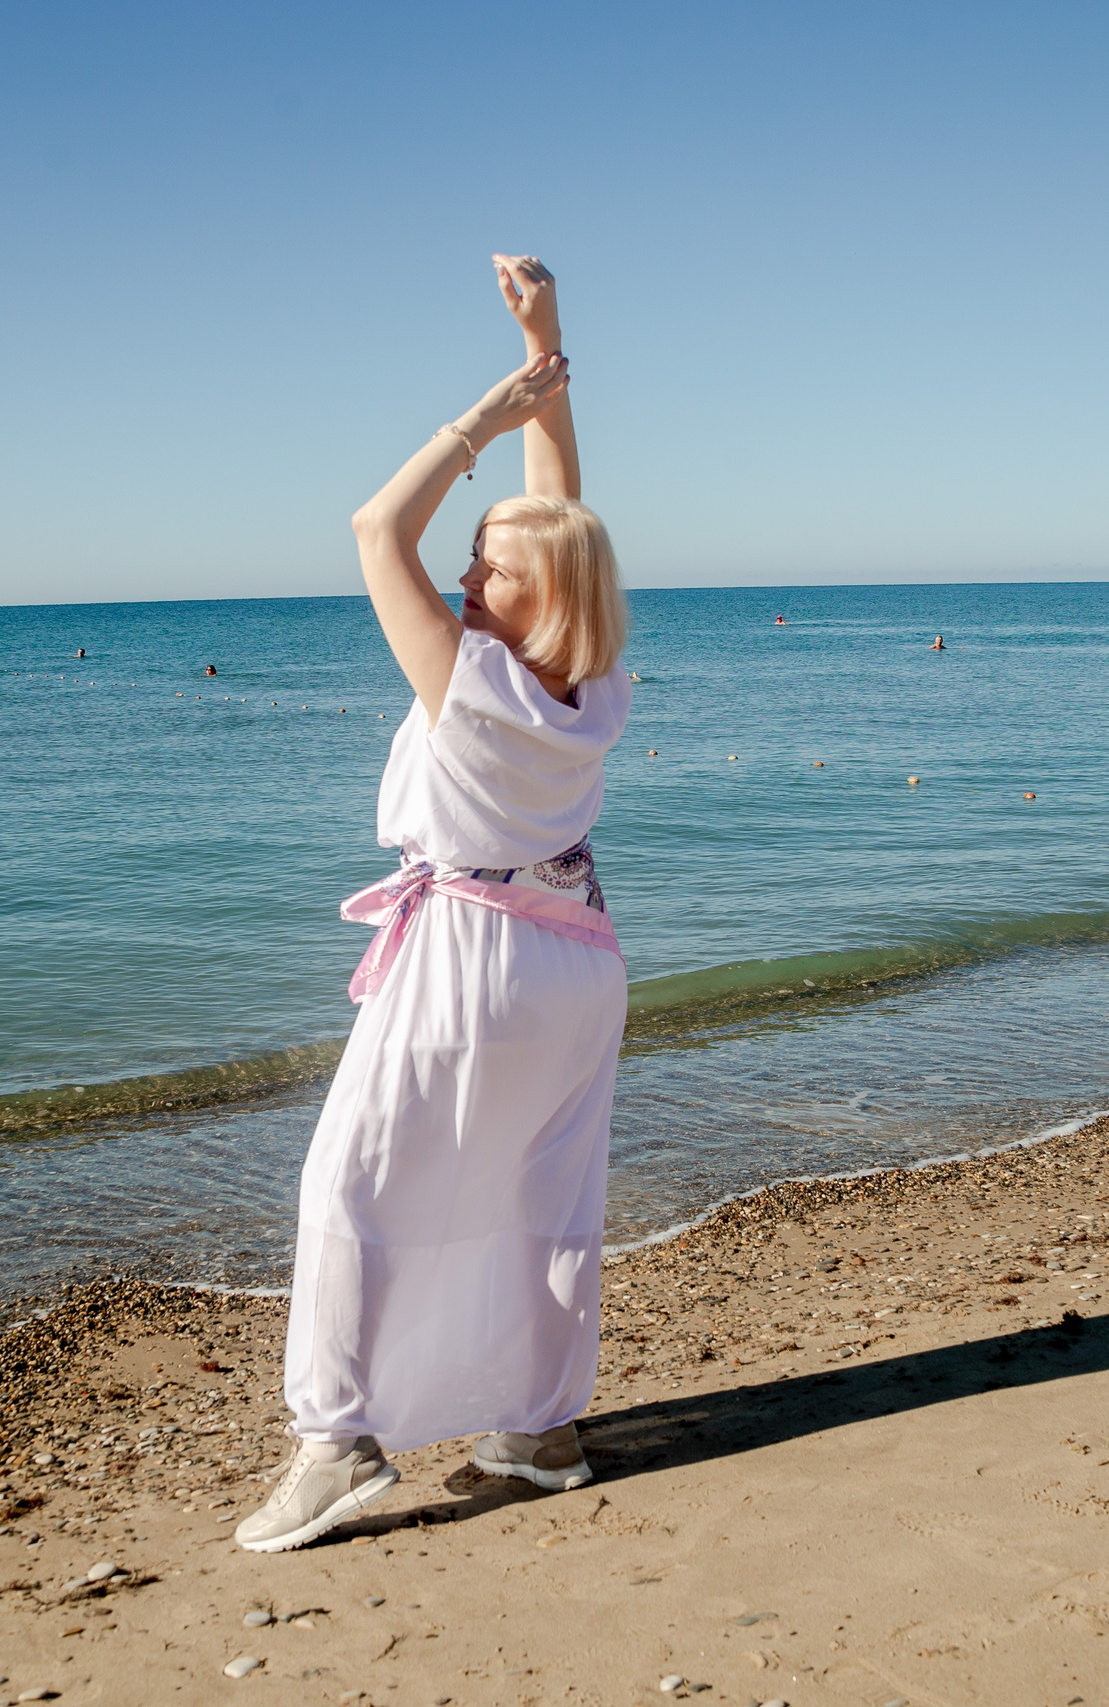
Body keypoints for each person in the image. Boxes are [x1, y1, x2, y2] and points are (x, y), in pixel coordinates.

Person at [236, 255, 632, 1554]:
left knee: (349, 1184)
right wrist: (547, 349)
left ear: (533, 602)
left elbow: (370, 528)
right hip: (577, 958)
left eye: (484, 572)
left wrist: (479, 421)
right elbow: (558, 518)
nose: (466, 579)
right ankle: (539, 1429)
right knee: (543, 1192)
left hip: (474, 954)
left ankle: (337, 1443)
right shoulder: (587, 682)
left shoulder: (467, 681)